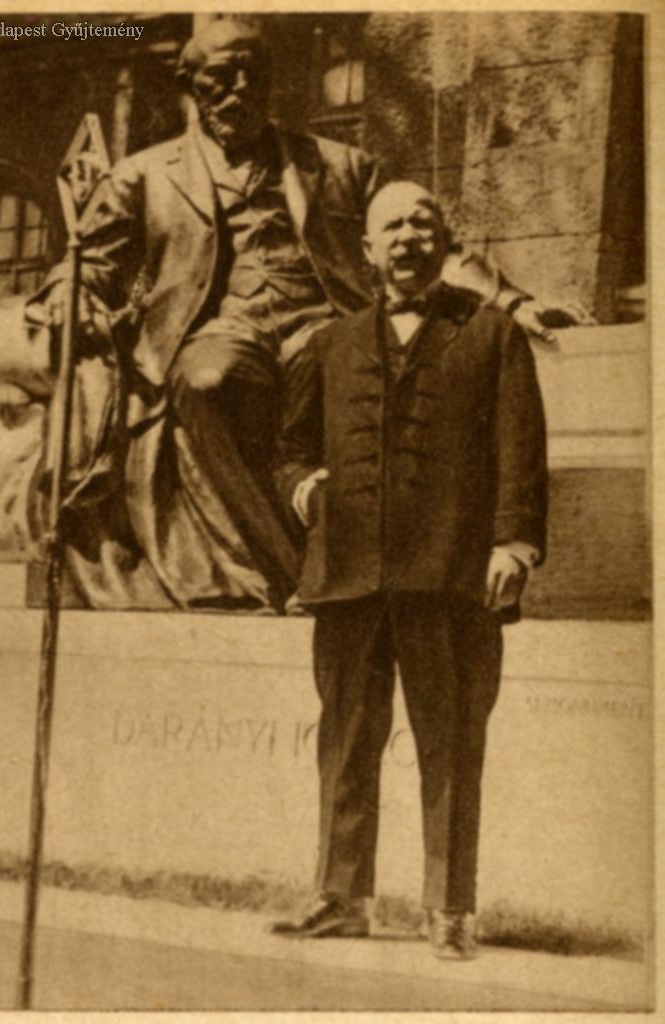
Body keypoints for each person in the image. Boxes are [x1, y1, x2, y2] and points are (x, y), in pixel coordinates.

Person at [0, 17, 584, 612]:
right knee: (207, 381)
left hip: (324, 323)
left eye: (251, 75)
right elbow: (88, 263)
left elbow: (430, 240)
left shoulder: (340, 164)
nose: (238, 90)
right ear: (190, 86)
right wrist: (69, 298)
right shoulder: (141, 175)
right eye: (219, 79)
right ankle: (294, 570)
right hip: (218, 329)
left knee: (346, 369)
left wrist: (513, 300)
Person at [271, 181, 547, 958]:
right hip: (349, 576)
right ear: (367, 248)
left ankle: (450, 908)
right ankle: (341, 896)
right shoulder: (332, 342)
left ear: (444, 240)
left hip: (452, 574)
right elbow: (290, 448)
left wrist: (514, 546)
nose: (407, 238)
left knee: (450, 742)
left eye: (422, 224)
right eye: (390, 226)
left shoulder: (492, 333)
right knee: (346, 739)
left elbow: (522, 449)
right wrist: (304, 489)